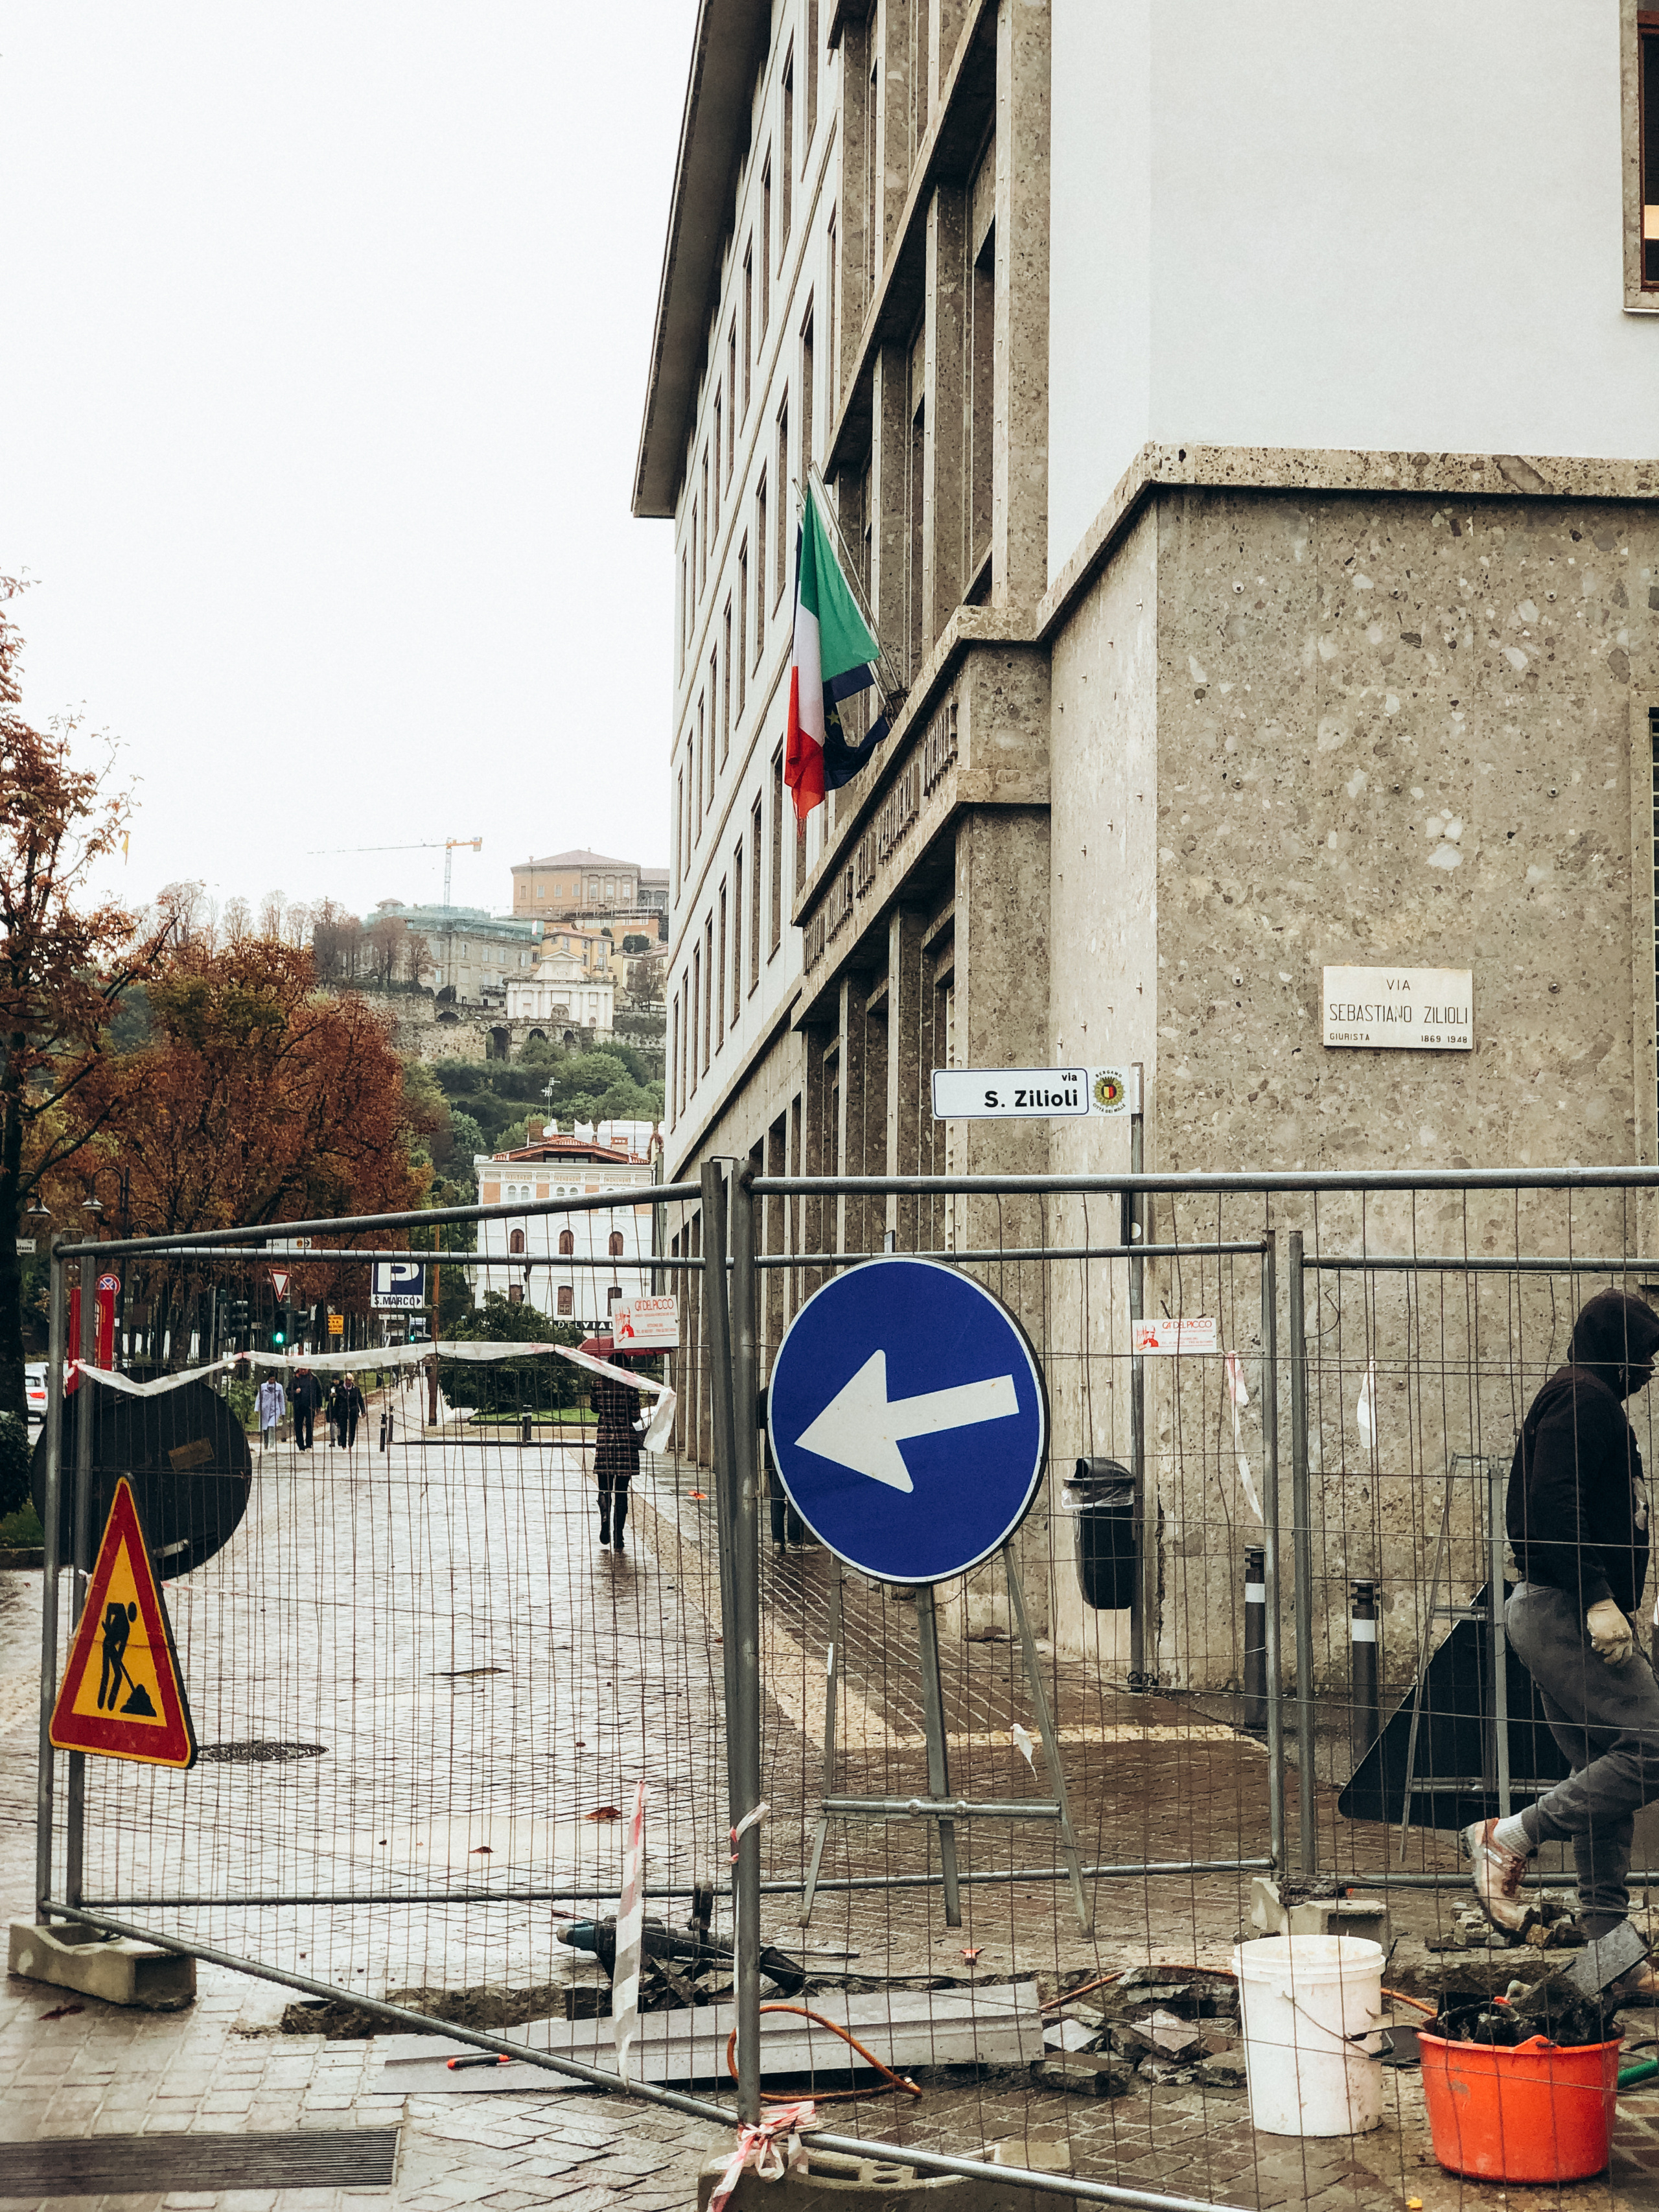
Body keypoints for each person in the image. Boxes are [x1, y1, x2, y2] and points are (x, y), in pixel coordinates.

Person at [1467, 1288, 1659, 1995]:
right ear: (1620, 1351)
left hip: (1564, 1609)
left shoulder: (1583, 1397)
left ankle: (1612, 1964)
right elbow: (1550, 1502)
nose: (1647, 1369)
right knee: (1652, 1745)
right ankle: (1508, 1835)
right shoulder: (1585, 1398)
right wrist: (1599, 1595)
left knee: (1605, 1789)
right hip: (1567, 1609)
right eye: (1644, 1354)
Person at [583, 1333, 646, 1554]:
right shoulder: (630, 1386)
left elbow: (594, 1409)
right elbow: (635, 1416)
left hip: (604, 1440)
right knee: (621, 1490)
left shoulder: (597, 1384)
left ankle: (604, 1520)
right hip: (625, 1442)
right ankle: (618, 1536)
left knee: (604, 1487)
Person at [290, 1365, 325, 1452]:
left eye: (304, 1369)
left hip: (310, 1406)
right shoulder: (295, 1379)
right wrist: (295, 1392)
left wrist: (318, 1406)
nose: (303, 1371)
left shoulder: (314, 1379)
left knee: (310, 1426)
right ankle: (301, 1446)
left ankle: (309, 1444)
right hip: (298, 1406)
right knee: (298, 1426)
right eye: (301, 1369)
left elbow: (319, 1392)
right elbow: (288, 1391)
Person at [334, 1372, 366, 1450]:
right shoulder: (340, 1389)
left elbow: (360, 1401)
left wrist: (363, 1411)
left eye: (350, 1381)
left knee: (352, 1429)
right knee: (343, 1429)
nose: (349, 1382)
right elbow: (337, 1403)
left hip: (353, 1411)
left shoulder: (356, 1390)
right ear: (345, 1380)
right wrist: (334, 1415)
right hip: (343, 1410)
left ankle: (351, 1444)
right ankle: (344, 1445)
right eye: (347, 1380)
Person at [255, 1375, 286, 1451]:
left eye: (273, 1380)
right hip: (265, 1409)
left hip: (275, 1409)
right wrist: (257, 1408)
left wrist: (283, 1412)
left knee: (271, 1426)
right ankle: (266, 1445)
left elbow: (281, 1400)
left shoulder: (279, 1387)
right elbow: (259, 1398)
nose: (272, 1381)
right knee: (265, 1428)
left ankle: (272, 1445)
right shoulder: (263, 1386)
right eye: (270, 1379)